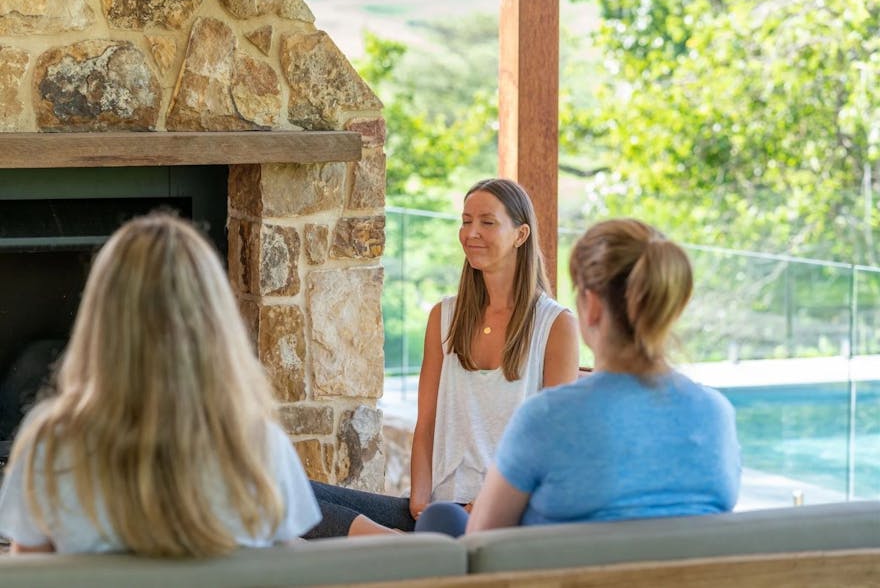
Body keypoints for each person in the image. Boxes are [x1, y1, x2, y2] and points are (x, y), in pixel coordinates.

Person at [0, 213, 321, 556]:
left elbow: (30, 575)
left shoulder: (50, 445)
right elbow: (286, 568)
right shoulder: (260, 445)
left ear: (100, 320)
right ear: (215, 322)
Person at [417, 218, 740, 536]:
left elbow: (479, 543)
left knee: (441, 518)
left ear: (593, 305)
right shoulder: (715, 414)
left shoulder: (547, 417)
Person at [306, 178, 580, 537]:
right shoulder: (445, 317)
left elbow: (553, 442)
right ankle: (406, 546)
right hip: (440, 509)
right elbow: (429, 419)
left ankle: (411, 547)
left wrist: (487, 504)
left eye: (487, 222)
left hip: (507, 514)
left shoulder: (556, 324)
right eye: (466, 221)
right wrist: (420, 495)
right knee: (289, 494)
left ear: (521, 234)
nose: (471, 233)